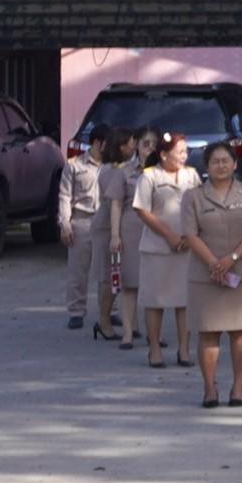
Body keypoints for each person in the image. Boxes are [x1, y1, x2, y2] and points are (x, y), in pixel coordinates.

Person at [182, 140, 242, 408]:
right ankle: (209, 389)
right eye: (215, 161)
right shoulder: (193, 196)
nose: (221, 166)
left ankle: (238, 387)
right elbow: (190, 234)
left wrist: (230, 259)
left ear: (235, 164)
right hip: (205, 273)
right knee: (208, 332)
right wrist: (213, 264)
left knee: (240, 331)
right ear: (206, 166)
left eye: (225, 161)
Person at [133, 132, 200, 369]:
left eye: (185, 151)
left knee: (185, 301)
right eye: (179, 152)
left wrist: (190, 235)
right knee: (155, 300)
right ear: (163, 155)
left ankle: (184, 349)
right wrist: (169, 235)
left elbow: (199, 205)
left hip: (186, 247)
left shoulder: (191, 176)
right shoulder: (149, 177)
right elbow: (142, 210)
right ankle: (154, 350)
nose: (184, 156)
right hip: (157, 248)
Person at [58, 127, 108, 330]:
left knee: (107, 270)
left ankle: (110, 311)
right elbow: (64, 196)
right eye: (107, 143)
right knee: (78, 271)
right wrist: (65, 224)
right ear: (97, 142)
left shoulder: (113, 167)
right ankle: (76, 311)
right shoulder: (74, 166)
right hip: (82, 220)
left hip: (105, 221)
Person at [100, 128, 145, 345]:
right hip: (110, 225)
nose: (136, 146)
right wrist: (115, 234)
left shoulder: (152, 171)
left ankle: (135, 325)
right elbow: (114, 202)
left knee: (140, 280)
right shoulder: (116, 171)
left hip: (144, 230)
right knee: (113, 277)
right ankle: (105, 321)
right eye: (134, 143)